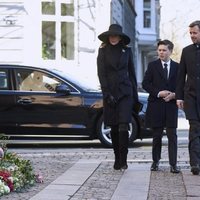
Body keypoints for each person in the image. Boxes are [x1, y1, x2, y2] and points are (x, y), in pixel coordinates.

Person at [97, 24, 138, 170]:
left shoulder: (127, 51)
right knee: (113, 127)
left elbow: (132, 74)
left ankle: (124, 159)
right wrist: (106, 94)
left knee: (123, 125)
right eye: (111, 35)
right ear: (108, 37)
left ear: (120, 37)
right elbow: (101, 74)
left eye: (116, 35)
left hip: (125, 93)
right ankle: (117, 158)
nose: (113, 38)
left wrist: (135, 97)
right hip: (110, 94)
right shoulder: (102, 51)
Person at [142, 40, 180, 173]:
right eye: (159, 50)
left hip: (171, 106)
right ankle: (155, 161)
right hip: (156, 105)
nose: (161, 52)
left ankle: (173, 164)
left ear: (170, 51)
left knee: (172, 136)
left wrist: (174, 95)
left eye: (164, 50)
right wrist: (159, 93)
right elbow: (145, 84)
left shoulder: (178, 67)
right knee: (157, 135)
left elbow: (182, 85)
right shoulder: (152, 66)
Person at [176, 20, 200, 175]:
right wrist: (179, 97)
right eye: (190, 33)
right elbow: (180, 76)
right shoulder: (186, 51)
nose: (192, 36)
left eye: (195, 33)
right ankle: (195, 163)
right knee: (194, 130)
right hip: (191, 97)